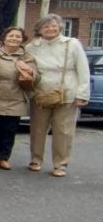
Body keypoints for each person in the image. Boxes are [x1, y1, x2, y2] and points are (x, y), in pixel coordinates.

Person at [25, 14, 89, 177]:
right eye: (45, 26)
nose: (50, 29)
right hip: (41, 91)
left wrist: (82, 93)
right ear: (39, 29)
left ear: (60, 27)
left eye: (53, 25)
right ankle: (36, 159)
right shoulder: (32, 46)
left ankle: (60, 164)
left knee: (64, 130)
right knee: (38, 129)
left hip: (66, 91)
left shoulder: (72, 44)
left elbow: (83, 69)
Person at [0, 27, 38, 170]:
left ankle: (4, 157)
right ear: (4, 38)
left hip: (16, 97)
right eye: (11, 36)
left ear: (22, 39)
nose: (14, 38)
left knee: (9, 131)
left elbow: (37, 76)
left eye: (18, 37)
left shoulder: (26, 56)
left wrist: (29, 70)